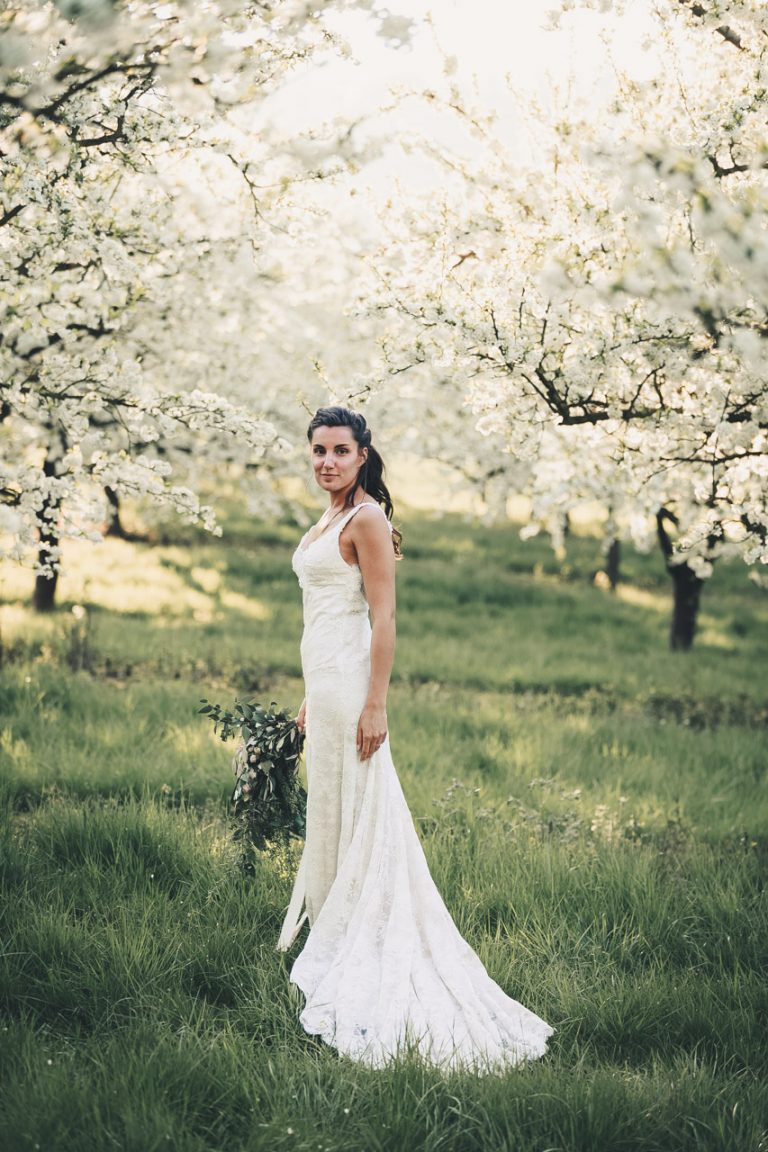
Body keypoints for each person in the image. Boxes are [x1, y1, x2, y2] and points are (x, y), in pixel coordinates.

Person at [277, 405, 553, 1071]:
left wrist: (375, 703)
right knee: (335, 812)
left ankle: (360, 938)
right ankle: (337, 929)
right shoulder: (327, 517)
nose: (327, 462)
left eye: (340, 450)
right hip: (329, 684)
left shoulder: (366, 518)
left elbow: (384, 614)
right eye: (318, 450)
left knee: (364, 812)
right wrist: (311, 694)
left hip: (356, 692)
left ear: (364, 454)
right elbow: (324, 614)